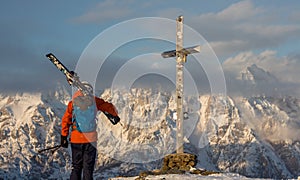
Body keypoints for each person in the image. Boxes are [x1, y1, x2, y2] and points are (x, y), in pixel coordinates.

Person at [60, 81, 120, 180]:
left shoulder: (73, 103)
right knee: (88, 168)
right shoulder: (94, 101)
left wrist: (63, 137)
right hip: (90, 139)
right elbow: (109, 106)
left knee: (76, 167)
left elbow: (66, 120)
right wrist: (115, 116)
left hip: (75, 139)